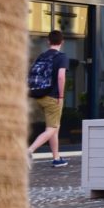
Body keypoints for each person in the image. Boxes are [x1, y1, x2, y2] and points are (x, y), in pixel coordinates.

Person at [27, 30, 69, 167]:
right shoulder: (62, 57)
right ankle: (29, 150)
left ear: (48, 42)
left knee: (54, 127)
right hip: (53, 97)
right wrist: (61, 96)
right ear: (62, 42)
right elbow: (61, 76)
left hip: (38, 95)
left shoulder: (41, 56)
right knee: (52, 128)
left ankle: (56, 158)